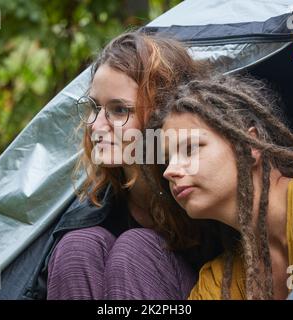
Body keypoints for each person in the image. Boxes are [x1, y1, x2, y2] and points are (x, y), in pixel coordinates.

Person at [140, 73, 293, 300]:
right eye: (167, 160)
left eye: (190, 149)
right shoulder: (221, 279)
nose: (169, 171)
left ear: (247, 145)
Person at [45, 31, 222, 300]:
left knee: (137, 249)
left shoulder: (209, 186)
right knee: (76, 247)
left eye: (118, 110)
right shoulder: (93, 209)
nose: (96, 125)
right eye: (94, 107)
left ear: (163, 113)